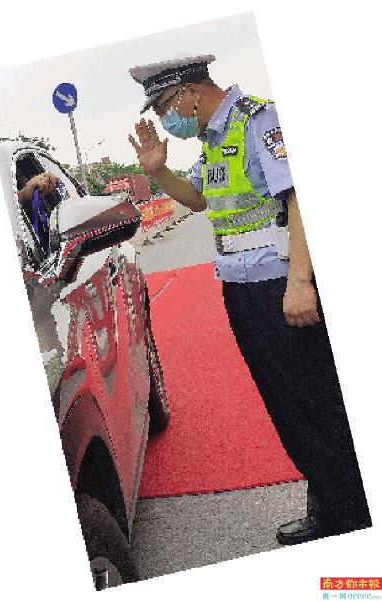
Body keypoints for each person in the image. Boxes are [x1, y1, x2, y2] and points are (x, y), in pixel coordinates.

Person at [127, 54, 372, 545]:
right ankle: (332, 502)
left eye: (167, 106)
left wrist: (300, 280)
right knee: (288, 407)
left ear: (192, 91)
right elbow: (198, 198)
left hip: (279, 285)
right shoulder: (215, 140)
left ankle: (350, 516)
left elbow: (299, 196)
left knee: (316, 405)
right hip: (242, 289)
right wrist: (159, 172)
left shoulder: (259, 120)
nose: (167, 119)